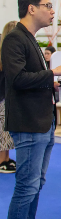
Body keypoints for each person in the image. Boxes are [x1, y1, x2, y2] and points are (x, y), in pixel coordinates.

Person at [0, 0, 61, 219]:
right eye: (47, 5)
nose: (52, 11)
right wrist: (53, 73)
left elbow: (29, 79)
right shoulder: (15, 39)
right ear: (31, 8)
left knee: (35, 184)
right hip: (29, 124)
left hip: (41, 122)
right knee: (26, 187)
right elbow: (17, 79)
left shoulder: (29, 38)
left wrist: (52, 83)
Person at [0, 21, 18, 174]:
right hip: (2, 98)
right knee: (2, 131)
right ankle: (1, 160)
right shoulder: (3, 55)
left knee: (6, 131)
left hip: (8, 98)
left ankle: (6, 158)